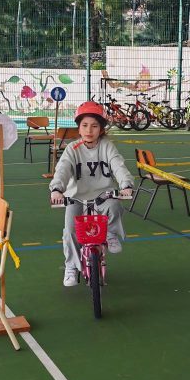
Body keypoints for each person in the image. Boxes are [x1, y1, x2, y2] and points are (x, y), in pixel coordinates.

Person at [49, 101, 135, 287]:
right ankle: (72, 266)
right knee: (70, 230)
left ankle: (110, 234)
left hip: (102, 197)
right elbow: (63, 169)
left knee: (114, 205)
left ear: (101, 129)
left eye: (94, 126)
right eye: (85, 125)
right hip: (76, 197)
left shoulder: (107, 146)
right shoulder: (73, 148)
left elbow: (118, 165)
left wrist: (126, 184)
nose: (89, 130)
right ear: (79, 128)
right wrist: (57, 189)